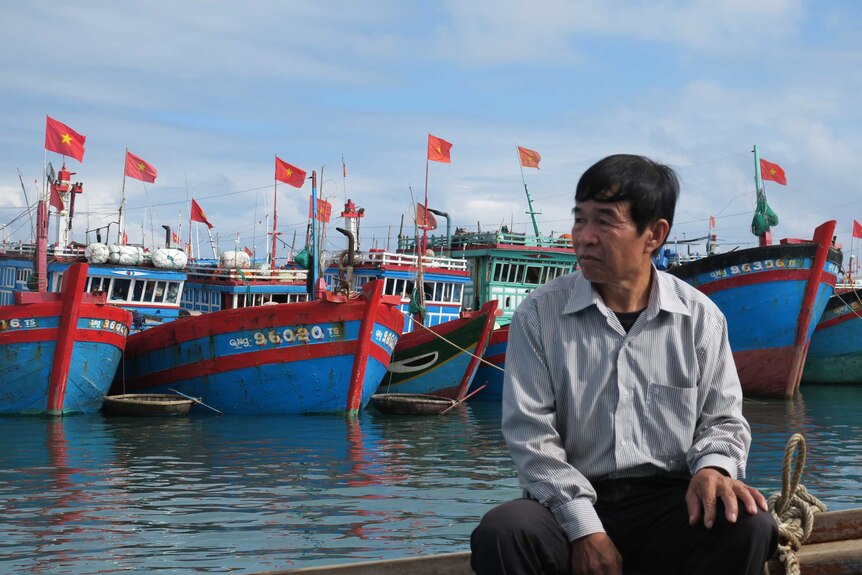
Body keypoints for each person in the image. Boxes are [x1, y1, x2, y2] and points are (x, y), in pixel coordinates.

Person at [470, 154, 777, 575]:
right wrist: (585, 531)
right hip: (572, 500)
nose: (584, 237)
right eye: (580, 220)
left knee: (749, 521)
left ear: (654, 233)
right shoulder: (538, 315)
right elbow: (531, 437)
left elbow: (723, 420)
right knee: (505, 530)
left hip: (671, 503)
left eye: (604, 221)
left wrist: (713, 468)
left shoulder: (699, 318)